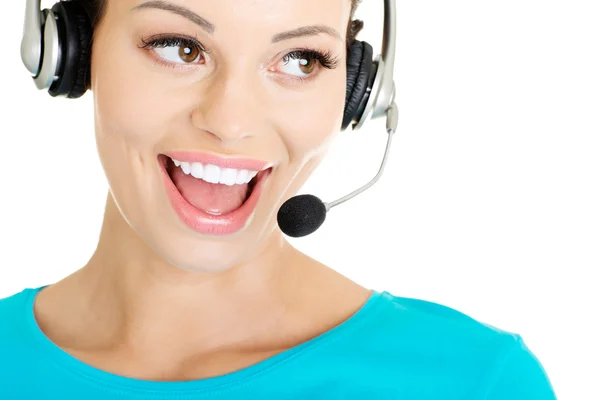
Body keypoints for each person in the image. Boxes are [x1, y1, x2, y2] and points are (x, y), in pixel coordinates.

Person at [0, 0, 556, 398]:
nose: (230, 121)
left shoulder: (472, 381)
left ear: (362, 92)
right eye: (179, 46)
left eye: (300, 60)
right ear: (67, 52)